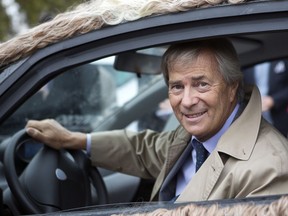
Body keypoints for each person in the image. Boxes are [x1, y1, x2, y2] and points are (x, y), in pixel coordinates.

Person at [25, 38, 288, 203]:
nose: (186, 100)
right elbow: (144, 149)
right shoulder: (196, 137)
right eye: (176, 87)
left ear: (232, 88)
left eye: (201, 84)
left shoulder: (269, 168)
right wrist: (75, 140)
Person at [243, 60, 288, 137]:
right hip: (253, 120)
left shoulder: (281, 59)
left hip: (280, 118)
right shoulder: (247, 64)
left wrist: (273, 100)